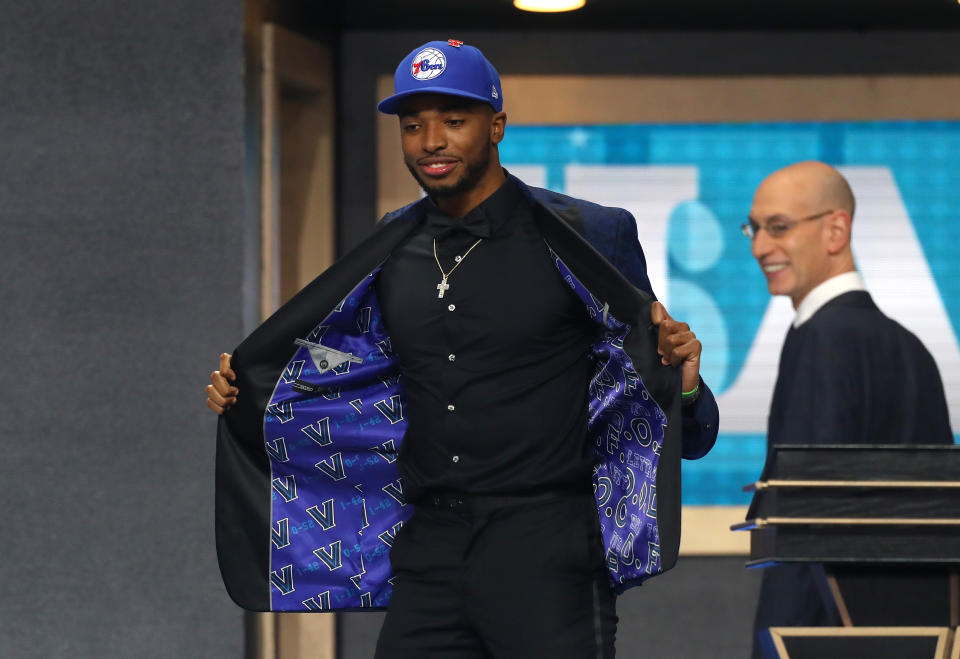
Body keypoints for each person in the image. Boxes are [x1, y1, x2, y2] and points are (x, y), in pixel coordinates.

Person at [208, 39, 719, 658]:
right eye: (414, 125)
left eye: (454, 120)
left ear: (496, 125)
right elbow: (350, 373)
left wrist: (685, 387)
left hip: (547, 547)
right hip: (432, 548)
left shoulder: (590, 236)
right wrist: (254, 391)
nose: (431, 142)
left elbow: (659, 399)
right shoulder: (391, 247)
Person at [743, 161, 953, 658]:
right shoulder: (910, 347)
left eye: (778, 227)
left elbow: (804, 525)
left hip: (822, 634)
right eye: (754, 229)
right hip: (914, 632)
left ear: (836, 229)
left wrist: (773, 645)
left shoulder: (820, 341)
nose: (759, 247)